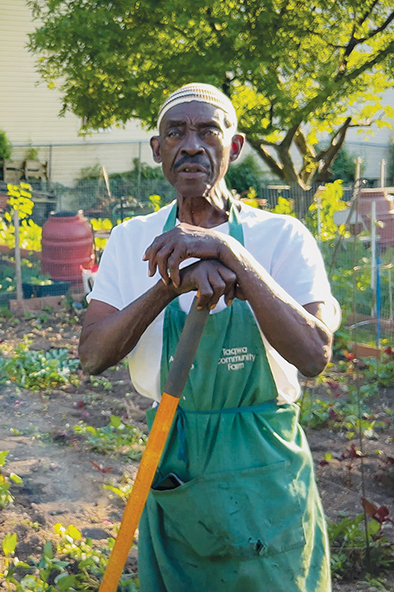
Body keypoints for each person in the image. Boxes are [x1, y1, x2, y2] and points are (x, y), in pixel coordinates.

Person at [79, 83, 338, 590]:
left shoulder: (282, 237)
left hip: (265, 467)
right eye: (176, 132)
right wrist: (169, 284)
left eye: (208, 131)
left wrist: (230, 254)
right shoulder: (134, 239)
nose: (191, 145)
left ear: (233, 147)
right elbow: (92, 355)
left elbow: (314, 353)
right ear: (159, 151)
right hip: (177, 454)